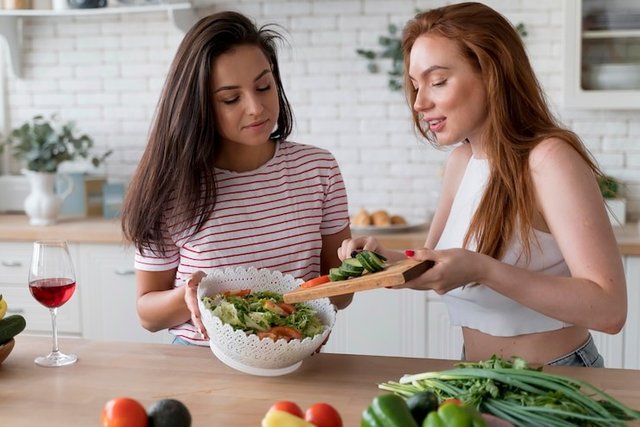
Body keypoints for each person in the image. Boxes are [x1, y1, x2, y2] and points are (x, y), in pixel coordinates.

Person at [339, 2, 627, 367]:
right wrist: (382, 260)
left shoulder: (548, 159)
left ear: (493, 73)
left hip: (556, 380)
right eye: (415, 85)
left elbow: (609, 308)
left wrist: (484, 269)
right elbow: (435, 265)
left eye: (438, 81)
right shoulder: (462, 161)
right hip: (473, 375)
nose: (419, 102)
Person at [121, 11, 352, 346]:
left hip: (296, 360)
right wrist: (188, 295)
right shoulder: (172, 189)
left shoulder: (318, 169)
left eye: (264, 86)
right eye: (231, 98)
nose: (256, 107)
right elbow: (147, 315)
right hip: (201, 366)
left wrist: (358, 268)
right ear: (198, 106)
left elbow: (340, 296)